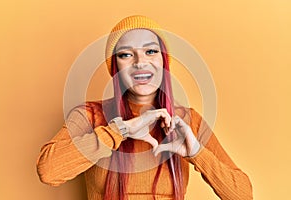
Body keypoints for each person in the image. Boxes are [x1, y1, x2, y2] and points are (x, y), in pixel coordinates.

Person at [36, 15, 253, 200]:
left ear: (163, 61)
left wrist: (196, 152)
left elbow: (243, 195)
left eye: (150, 51)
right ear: (115, 67)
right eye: (126, 54)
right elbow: (48, 171)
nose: (140, 62)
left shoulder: (188, 120)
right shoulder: (90, 115)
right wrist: (120, 130)